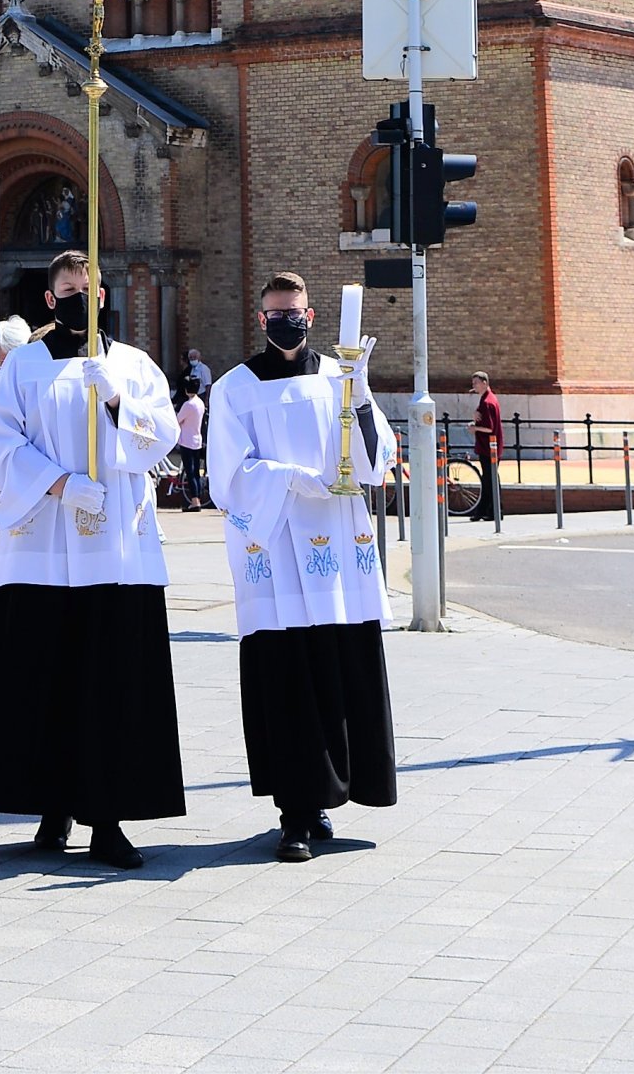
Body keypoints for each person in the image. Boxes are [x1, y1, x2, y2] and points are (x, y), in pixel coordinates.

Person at [0, 250, 184, 870]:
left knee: (109, 681)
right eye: (65, 289)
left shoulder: (132, 364)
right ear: (49, 299)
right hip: (43, 548)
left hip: (113, 551)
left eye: (85, 290)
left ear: (100, 297)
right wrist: (60, 483)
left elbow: (164, 436)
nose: (75, 298)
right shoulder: (23, 368)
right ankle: (50, 805)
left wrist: (118, 404)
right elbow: (0, 446)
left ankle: (109, 816)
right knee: (46, 677)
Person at [206, 271, 398, 863]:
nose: (285, 321)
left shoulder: (338, 377)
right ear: (261, 320)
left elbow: (376, 462)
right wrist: (294, 480)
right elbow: (227, 478)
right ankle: (294, 811)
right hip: (279, 553)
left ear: (311, 316)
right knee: (286, 683)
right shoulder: (235, 388)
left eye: (294, 312)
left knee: (336, 673)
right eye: (274, 314)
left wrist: (361, 396)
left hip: (335, 556)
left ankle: (327, 797)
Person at [468, 372, 503, 524]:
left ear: (484, 382)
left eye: (476, 383)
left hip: (488, 447)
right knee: (490, 479)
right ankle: (492, 510)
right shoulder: (487, 399)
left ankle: (488, 510)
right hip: (489, 447)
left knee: (489, 479)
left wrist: (474, 428)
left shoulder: (487, 402)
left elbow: (489, 427)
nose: (474, 386)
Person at [175, 384, 208, 510]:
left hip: (187, 441)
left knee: (190, 472)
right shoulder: (200, 403)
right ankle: (197, 498)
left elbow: (178, 419)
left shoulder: (188, 405)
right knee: (195, 472)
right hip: (197, 440)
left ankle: (195, 501)